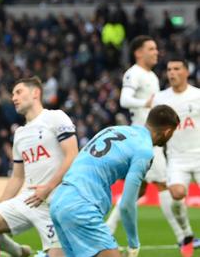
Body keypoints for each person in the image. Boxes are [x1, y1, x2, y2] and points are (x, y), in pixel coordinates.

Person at [50, 105, 180, 257]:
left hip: (59, 200)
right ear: (168, 132)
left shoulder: (114, 130)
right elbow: (126, 205)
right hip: (81, 206)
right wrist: (133, 243)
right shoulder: (144, 150)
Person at [0, 77, 78, 257]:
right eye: (13, 94)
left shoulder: (55, 117)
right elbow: (17, 177)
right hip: (28, 199)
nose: (14, 97)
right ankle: (18, 251)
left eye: (19, 92)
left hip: (56, 202)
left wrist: (48, 188)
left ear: (36, 93)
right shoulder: (20, 134)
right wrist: (0, 208)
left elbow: (73, 155)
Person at [105, 35, 178, 240]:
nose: (156, 52)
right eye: (151, 49)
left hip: (149, 138)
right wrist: (147, 102)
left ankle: (107, 229)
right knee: (163, 183)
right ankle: (184, 235)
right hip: (145, 138)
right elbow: (124, 99)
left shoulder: (152, 76)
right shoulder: (134, 73)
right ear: (138, 53)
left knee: (140, 190)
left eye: (156, 49)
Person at [152, 57, 200, 256]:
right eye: (169, 69)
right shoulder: (160, 99)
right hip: (177, 159)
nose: (171, 73)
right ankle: (186, 234)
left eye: (176, 69)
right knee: (177, 194)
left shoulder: (198, 95)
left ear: (186, 72)